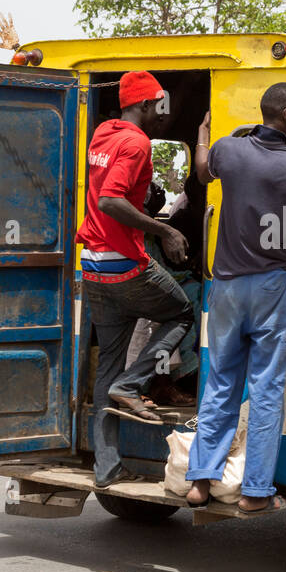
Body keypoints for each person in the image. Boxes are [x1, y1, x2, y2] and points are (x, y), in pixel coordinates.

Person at [185, 82, 286, 513]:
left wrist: (203, 133)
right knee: (267, 389)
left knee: (220, 382)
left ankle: (200, 480)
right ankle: (255, 492)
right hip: (272, 286)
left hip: (227, 287)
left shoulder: (228, 152)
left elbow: (201, 170)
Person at [78, 70, 195, 487]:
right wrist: (164, 229)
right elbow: (110, 199)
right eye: (158, 106)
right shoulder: (136, 142)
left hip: (91, 263)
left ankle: (106, 468)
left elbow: (106, 192)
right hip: (122, 262)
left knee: (107, 368)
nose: (162, 113)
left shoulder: (102, 134)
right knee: (182, 312)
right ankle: (133, 383)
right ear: (147, 105)